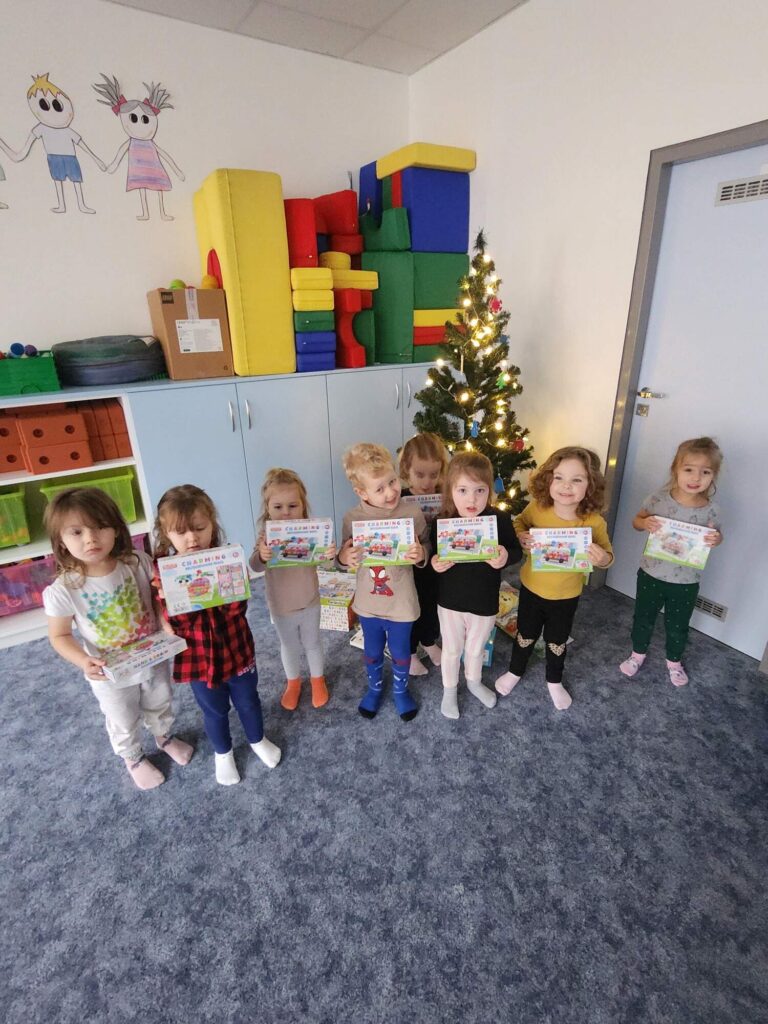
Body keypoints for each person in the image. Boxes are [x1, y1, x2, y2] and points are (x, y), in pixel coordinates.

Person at [42, 487, 193, 790]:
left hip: (153, 655)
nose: (90, 538)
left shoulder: (137, 562)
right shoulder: (63, 589)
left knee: (160, 700)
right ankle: (133, 757)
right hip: (109, 672)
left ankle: (163, 737)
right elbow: (59, 635)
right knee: (123, 716)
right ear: (60, 540)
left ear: (116, 529)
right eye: (77, 532)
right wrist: (83, 660)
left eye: (100, 527)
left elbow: (156, 597)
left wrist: (164, 620)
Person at [154, 484, 280, 786]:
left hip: (236, 648)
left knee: (248, 700)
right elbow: (179, 623)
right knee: (213, 709)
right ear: (166, 534)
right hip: (198, 657)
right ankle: (223, 753)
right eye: (181, 532)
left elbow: (237, 609)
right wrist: (172, 598)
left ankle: (257, 739)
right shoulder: (163, 572)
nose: (192, 538)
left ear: (212, 525)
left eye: (200, 528)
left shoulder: (227, 559)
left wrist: (233, 583)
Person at [495, 447, 614, 710]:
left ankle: (554, 680)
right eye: (558, 477)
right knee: (525, 633)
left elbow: (608, 555)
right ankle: (515, 670)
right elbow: (519, 523)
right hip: (531, 588)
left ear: (590, 485)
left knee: (557, 640)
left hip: (566, 596)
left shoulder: (594, 522)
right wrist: (521, 535)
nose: (566, 486)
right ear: (548, 479)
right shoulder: (538, 508)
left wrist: (602, 558)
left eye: (577, 479)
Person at [619, 437, 723, 687]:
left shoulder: (712, 510)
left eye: (705, 472)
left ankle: (674, 661)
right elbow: (636, 521)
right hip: (651, 574)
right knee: (643, 617)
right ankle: (637, 654)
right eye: (689, 469)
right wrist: (644, 523)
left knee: (678, 625)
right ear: (676, 469)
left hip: (686, 581)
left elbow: (715, 536)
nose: (696, 477)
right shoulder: (657, 499)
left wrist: (717, 539)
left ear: (713, 476)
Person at [337, 443, 429, 721]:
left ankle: (401, 690)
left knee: (401, 651)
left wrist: (421, 553)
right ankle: (374, 688)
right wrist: (344, 557)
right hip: (369, 603)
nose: (390, 492)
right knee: (372, 650)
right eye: (379, 489)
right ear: (361, 492)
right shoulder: (352, 518)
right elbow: (343, 556)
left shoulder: (412, 512)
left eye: (392, 482)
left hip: (401, 602)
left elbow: (426, 545)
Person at [430, 452, 521, 719]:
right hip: (450, 601)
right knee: (451, 649)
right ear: (450, 490)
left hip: (484, 601)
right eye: (463, 490)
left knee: (475, 649)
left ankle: (473, 682)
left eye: (480, 490)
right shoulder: (442, 522)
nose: (471, 499)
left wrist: (505, 556)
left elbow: (516, 551)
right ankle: (449, 690)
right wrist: (435, 563)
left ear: (489, 491)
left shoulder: (499, 520)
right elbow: (434, 555)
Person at [249, 468, 334, 711]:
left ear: (303, 505)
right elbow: (254, 566)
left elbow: (328, 564)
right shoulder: (266, 537)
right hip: (281, 606)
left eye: (292, 506)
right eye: (278, 507)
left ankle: (317, 680)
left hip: (310, 601)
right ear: (268, 508)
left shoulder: (313, 532)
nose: (286, 512)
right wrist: (262, 556)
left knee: (312, 643)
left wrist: (329, 554)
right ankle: (293, 683)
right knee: (289, 646)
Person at [398, 432, 449, 676]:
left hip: (435, 564)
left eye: (434, 474)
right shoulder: (398, 499)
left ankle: (428, 641)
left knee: (431, 605)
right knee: (408, 610)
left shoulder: (446, 497)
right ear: (405, 470)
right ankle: (409, 652)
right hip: (406, 568)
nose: (427, 482)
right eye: (419, 474)